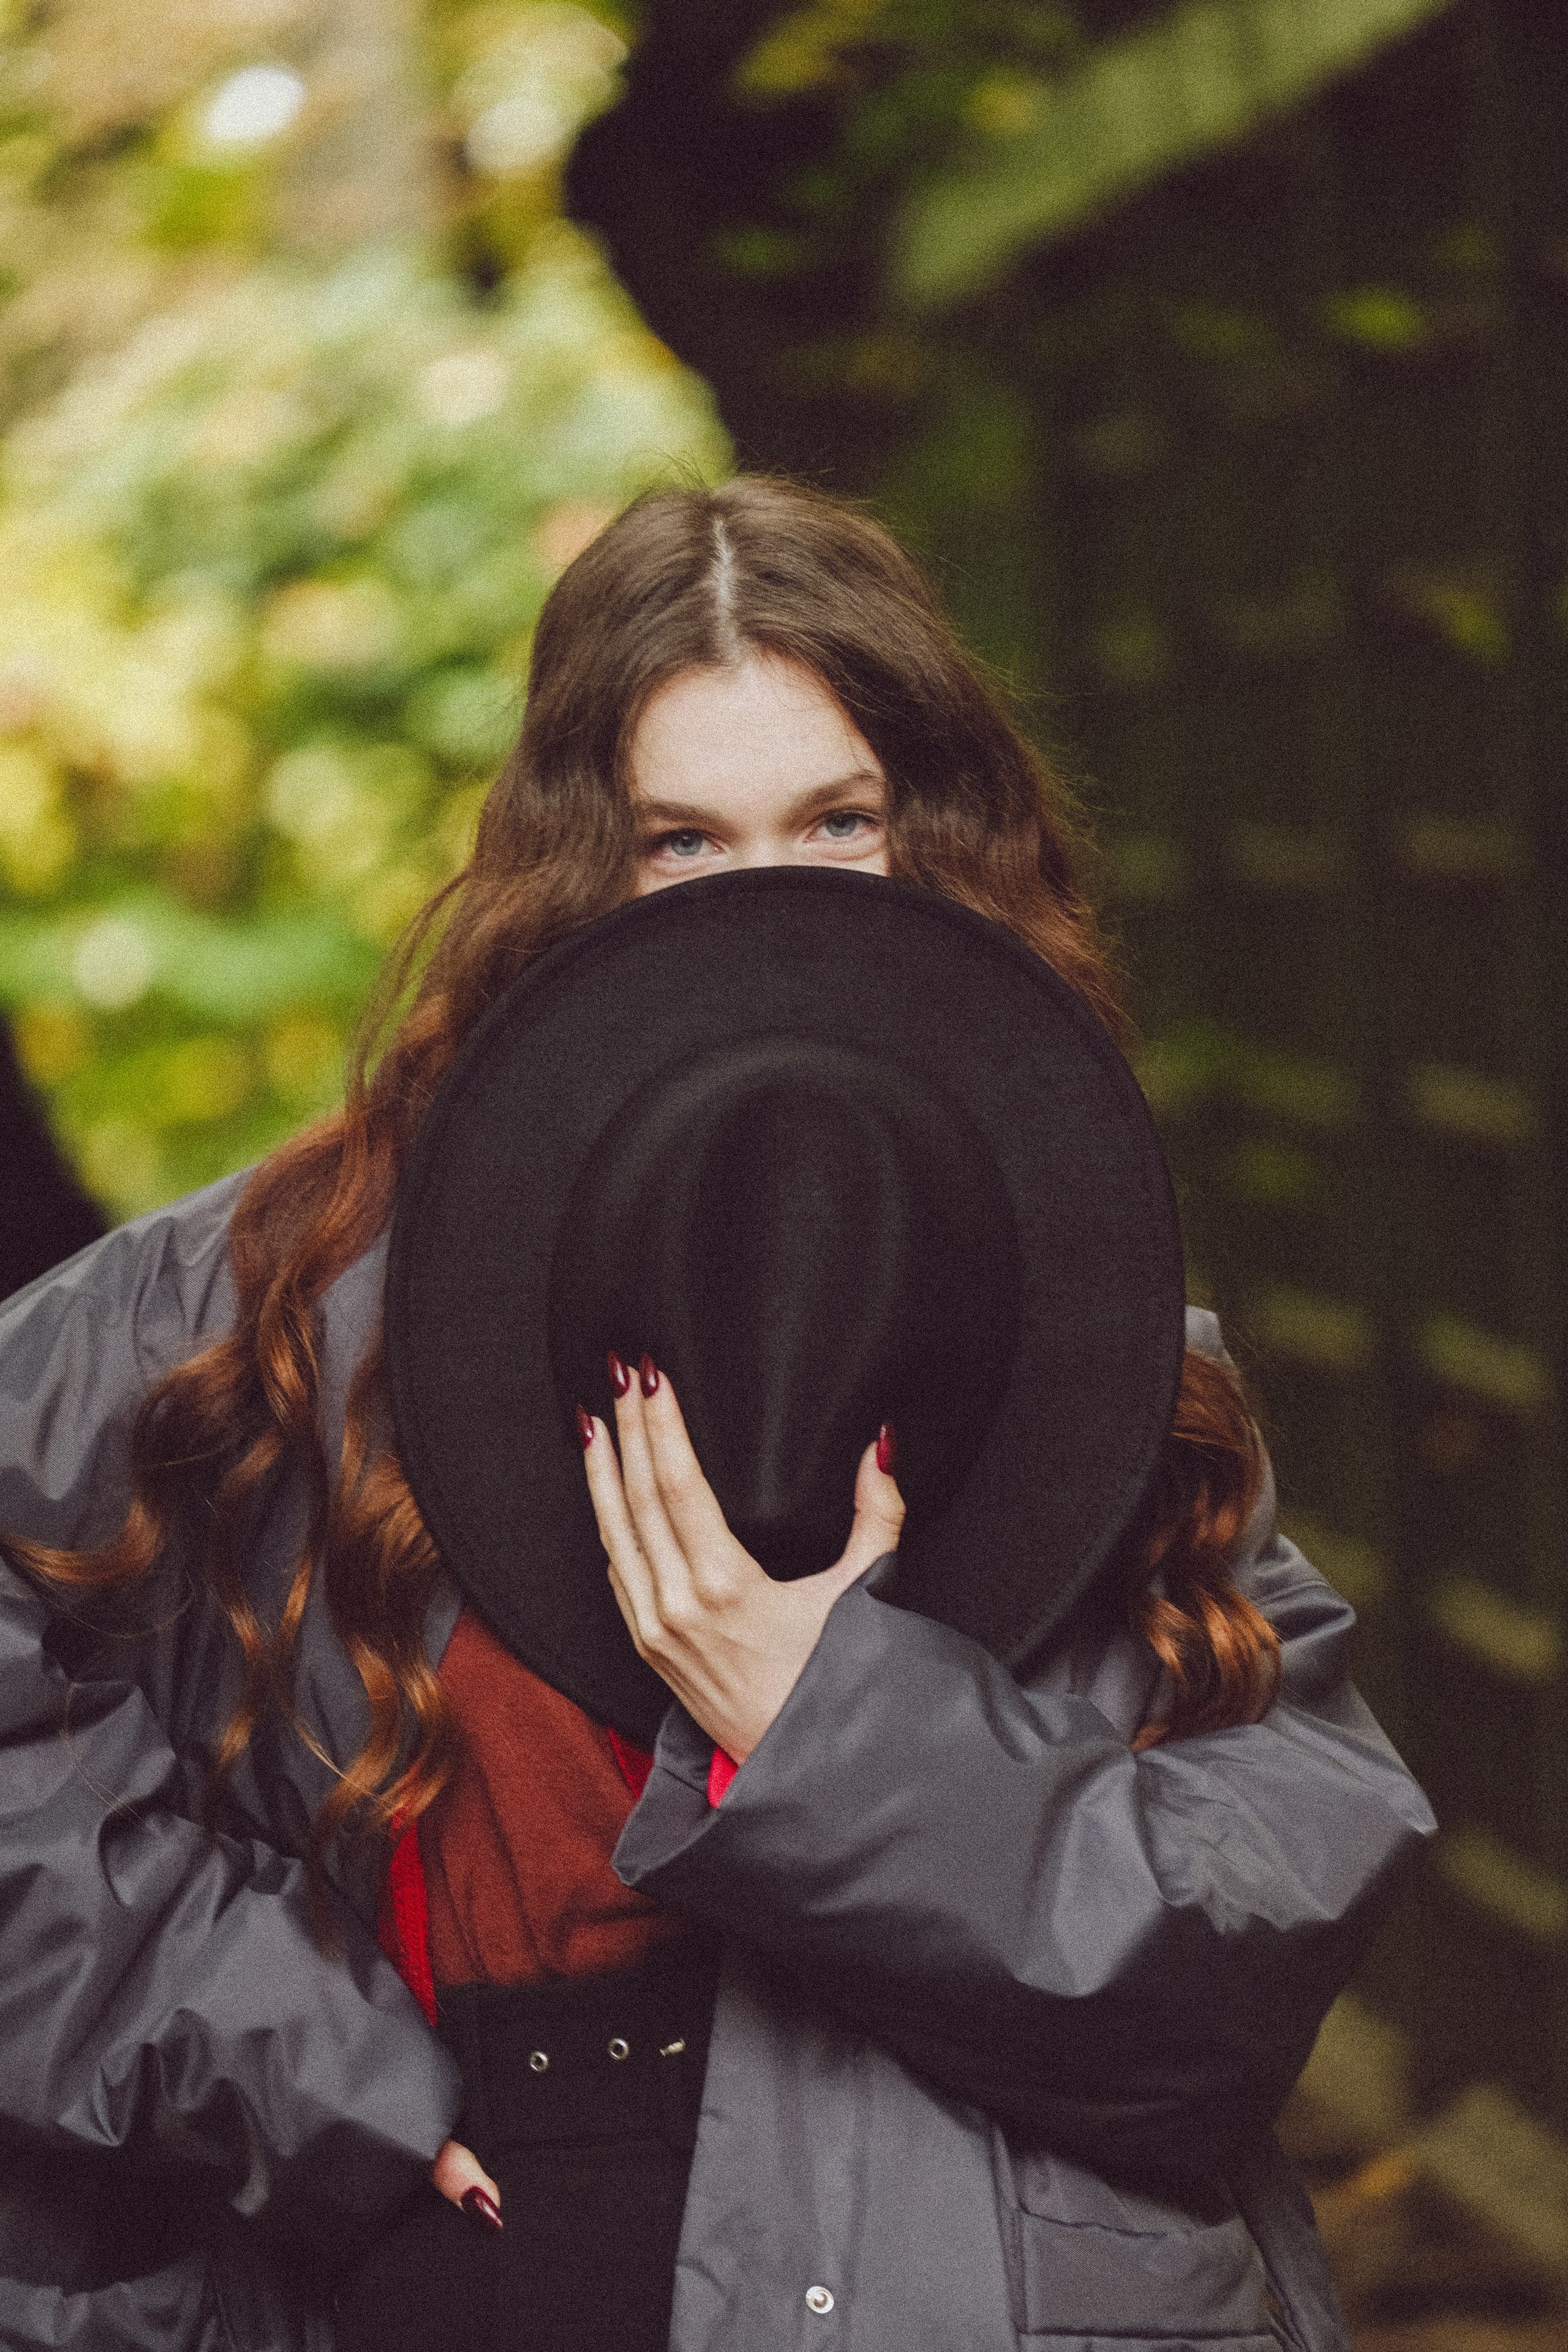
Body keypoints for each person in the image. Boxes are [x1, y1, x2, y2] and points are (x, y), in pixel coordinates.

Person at [0, 477, 1433, 2352]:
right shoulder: (281, 1295)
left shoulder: (1084, 1347)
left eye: (835, 822)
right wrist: (286, 2056)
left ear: (937, 851)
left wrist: (827, 1735)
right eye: (684, 840)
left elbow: (1227, 2000)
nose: (760, 903)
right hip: (460, 2256)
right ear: (576, 866)